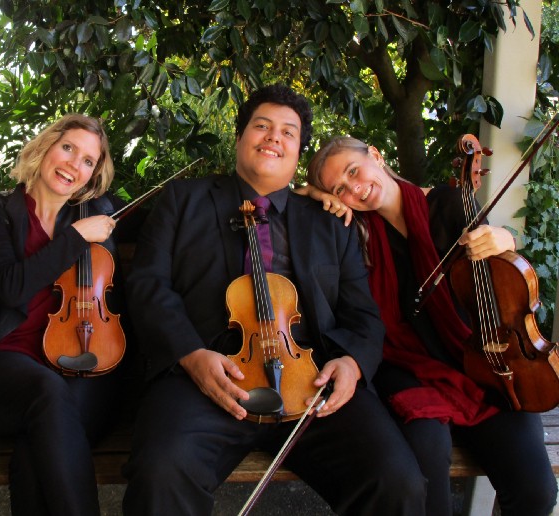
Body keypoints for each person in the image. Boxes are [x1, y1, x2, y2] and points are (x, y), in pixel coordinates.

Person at [122, 84, 426, 515]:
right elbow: (148, 286)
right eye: (261, 126)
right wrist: (190, 356)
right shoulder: (182, 200)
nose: (273, 137)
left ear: (299, 151)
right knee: (161, 472)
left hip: (312, 383)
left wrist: (352, 364)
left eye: (288, 132)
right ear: (240, 136)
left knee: (396, 480)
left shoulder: (328, 220)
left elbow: (362, 314)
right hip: (206, 377)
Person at [305, 135, 557, 515]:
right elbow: (283, 206)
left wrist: (505, 239)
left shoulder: (448, 204)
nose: (354, 188)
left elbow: (498, 273)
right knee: (425, 466)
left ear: (376, 155)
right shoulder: (354, 234)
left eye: (354, 170)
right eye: (340, 187)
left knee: (536, 491)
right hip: (408, 368)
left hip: (483, 364)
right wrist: (311, 193)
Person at [0, 113, 129, 516]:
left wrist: (301, 195)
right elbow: (9, 286)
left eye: (88, 161)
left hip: (83, 358)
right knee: (48, 395)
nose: (74, 164)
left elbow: (174, 213)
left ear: (93, 175)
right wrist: (73, 239)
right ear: (44, 148)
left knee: (34, 453)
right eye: (68, 148)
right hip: (5, 364)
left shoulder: (99, 212)